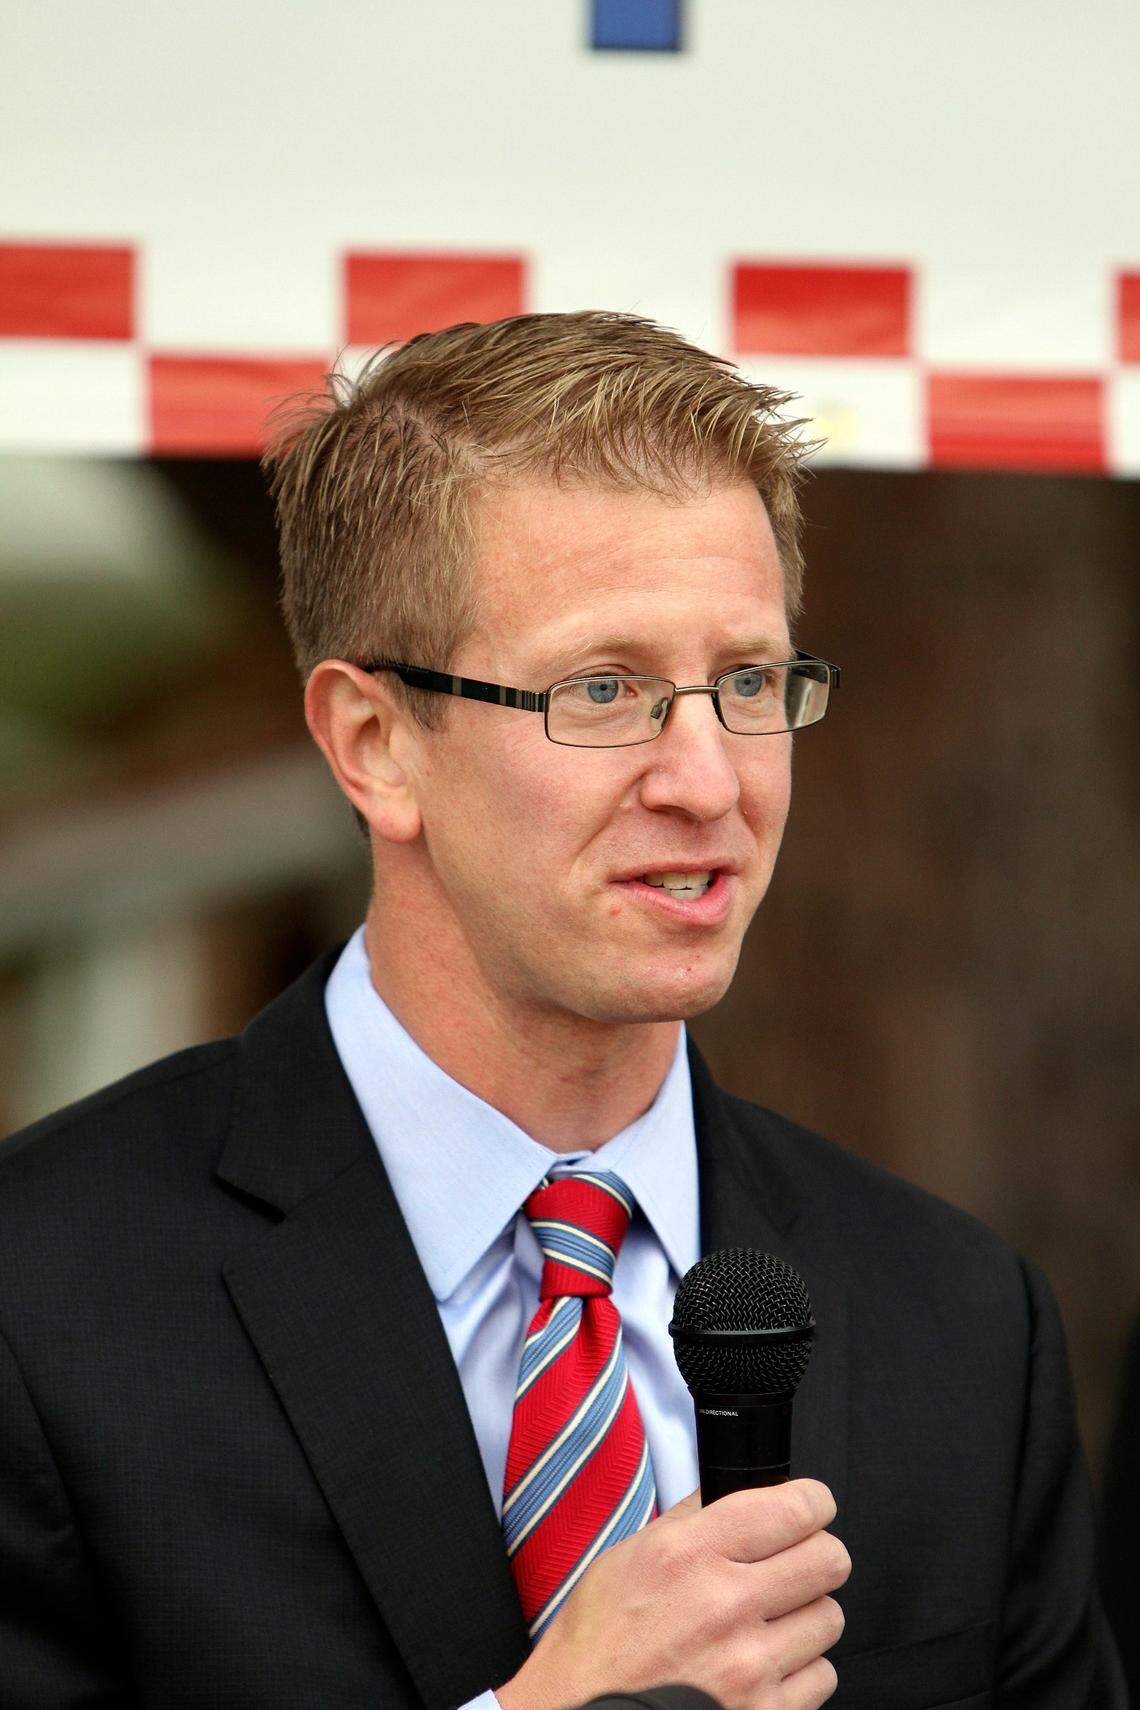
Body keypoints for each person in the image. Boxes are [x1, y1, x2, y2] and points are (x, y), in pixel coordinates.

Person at [0, 311, 1124, 1710]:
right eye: (606, 689)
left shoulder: (956, 1319)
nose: (711, 781)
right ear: (374, 742)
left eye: (751, 681)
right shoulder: (45, 1299)